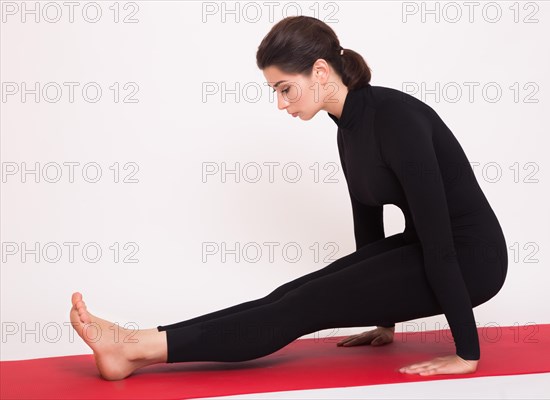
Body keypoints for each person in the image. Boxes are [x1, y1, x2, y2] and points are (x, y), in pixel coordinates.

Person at [69, 16, 508, 381]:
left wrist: (467, 353)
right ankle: (135, 345)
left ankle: (134, 349)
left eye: (284, 89)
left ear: (319, 72)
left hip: (472, 261)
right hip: (429, 250)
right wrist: (383, 320)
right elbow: (368, 224)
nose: (280, 104)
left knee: (302, 306)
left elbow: (441, 243)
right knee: (291, 292)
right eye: (275, 92)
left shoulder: (397, 120)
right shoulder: (348, 127)